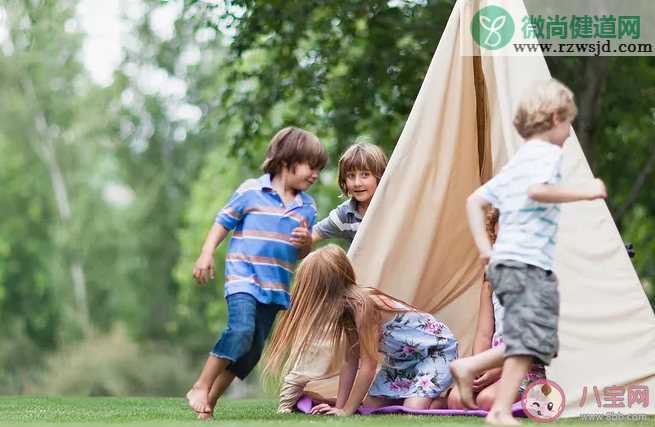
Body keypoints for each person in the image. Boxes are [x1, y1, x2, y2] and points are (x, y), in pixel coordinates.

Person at [450, 79, 607, 425]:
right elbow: (538, 191)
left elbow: (474, 201)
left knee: (535, 339)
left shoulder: (519, 160)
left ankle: (484, 386)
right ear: (554, 118)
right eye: (569, 123)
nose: (569, 133)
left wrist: (485, 251)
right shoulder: (548, 155)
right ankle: (499, 408)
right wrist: (586, 192)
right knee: (531, 338)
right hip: (527, 264)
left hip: (506, 264)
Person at [186, 126, 327, 418]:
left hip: (275, 286)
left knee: (251, 352)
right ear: (287, 160)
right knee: (240, 330)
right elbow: (223, 221)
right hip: (243, 277)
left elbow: (303, 253)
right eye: (310, 166)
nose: (314, 174)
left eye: (318, 168)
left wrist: (304, 245)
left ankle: (208, 403)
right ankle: (200, 386)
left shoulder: (307, 208)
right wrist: (206, 252)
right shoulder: (251, 190)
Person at [264, 245, 458, 415]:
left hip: (435, 351)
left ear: (325, 291)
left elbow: (368, 365)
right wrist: (339, 408)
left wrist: (348, 411)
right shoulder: (345, 311)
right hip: (402, 361)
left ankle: (446, 400)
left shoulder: (362, 306)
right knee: (371, 406)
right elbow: (350, 361)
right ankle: (420, 394)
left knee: (413, 409)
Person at [448, 207, 546, 411]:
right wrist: (480, 367)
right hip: (492, 363)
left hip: (526, 366)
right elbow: (484, 334)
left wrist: (496, 370)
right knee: (456, 399)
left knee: (487, 400)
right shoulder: (490, 282)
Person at [312, 141, 388, 244]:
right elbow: (312, 235)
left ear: (380, 176)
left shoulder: (395, 205)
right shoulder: (346, 215)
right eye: (351, 176)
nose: (357, 183)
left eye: (365, 175)